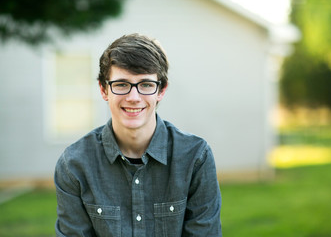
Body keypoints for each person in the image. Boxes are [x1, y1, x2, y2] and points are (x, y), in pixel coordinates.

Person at [54, 33, 222, 236]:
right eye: (122, 84)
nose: (134, 97)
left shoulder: (196, 157)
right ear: (103, 89)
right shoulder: (74, 164)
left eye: (146, 84)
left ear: (161, 90)